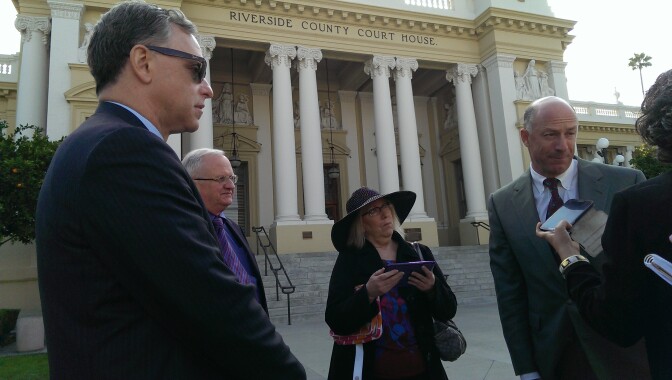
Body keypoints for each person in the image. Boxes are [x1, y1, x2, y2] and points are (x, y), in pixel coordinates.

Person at [34, 2, 305, 379]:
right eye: (196, 69)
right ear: (143, 62)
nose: (208, 89)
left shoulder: (101, 142)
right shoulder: (125, 151)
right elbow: (214, 305)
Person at [488, 95, 649, 380]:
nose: (562, 145)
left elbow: (648, 272)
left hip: (623, 351)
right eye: (550, 135)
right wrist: (526, 368)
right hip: (554, 354)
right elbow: (510, 293)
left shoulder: (625, 182)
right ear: (525, 137)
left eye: (570, 133)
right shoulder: (503, 204)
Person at [536, 69, 672, 380]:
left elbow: (618, 323)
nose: (562, 144)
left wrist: (570, 258)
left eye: (571, 133)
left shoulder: (641, 204)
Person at [326, 187, 457, 380]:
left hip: (423, 370)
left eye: (386, 205)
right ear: (361, 224)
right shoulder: (350, 260)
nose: (385, 213)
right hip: (369, 371)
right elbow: (336, 319)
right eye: (373, 210)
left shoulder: (419, 253)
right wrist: (368, 294)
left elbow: (448, 310)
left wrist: (432, 288)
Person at [182, 148, 268, 312]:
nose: (230, 186)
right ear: (192, 182)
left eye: (232, 178)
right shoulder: (182, 230)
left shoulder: (233, 228)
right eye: (220, 179)